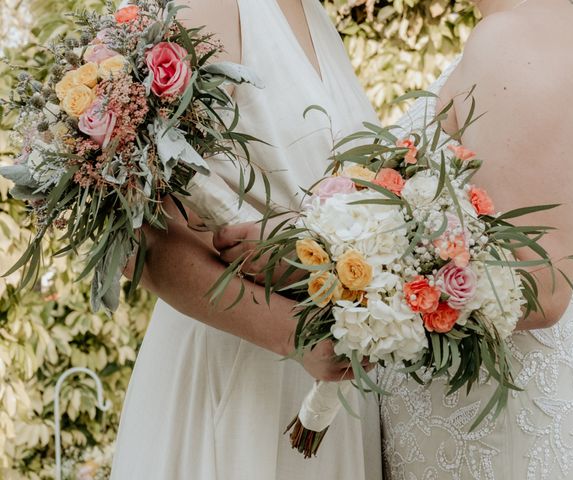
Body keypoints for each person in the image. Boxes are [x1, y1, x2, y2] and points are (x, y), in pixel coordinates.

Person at [109, 1, 382, 478]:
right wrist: (293, 333)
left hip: (332, 379)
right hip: (245, 371)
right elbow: (136, 235)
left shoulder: (314, 16)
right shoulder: (208, 9)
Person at [380, 0, 573, 478]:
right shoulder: (560, 21)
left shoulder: (519, 39)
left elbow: (535, 285)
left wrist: (353, 282)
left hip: (523, 435)